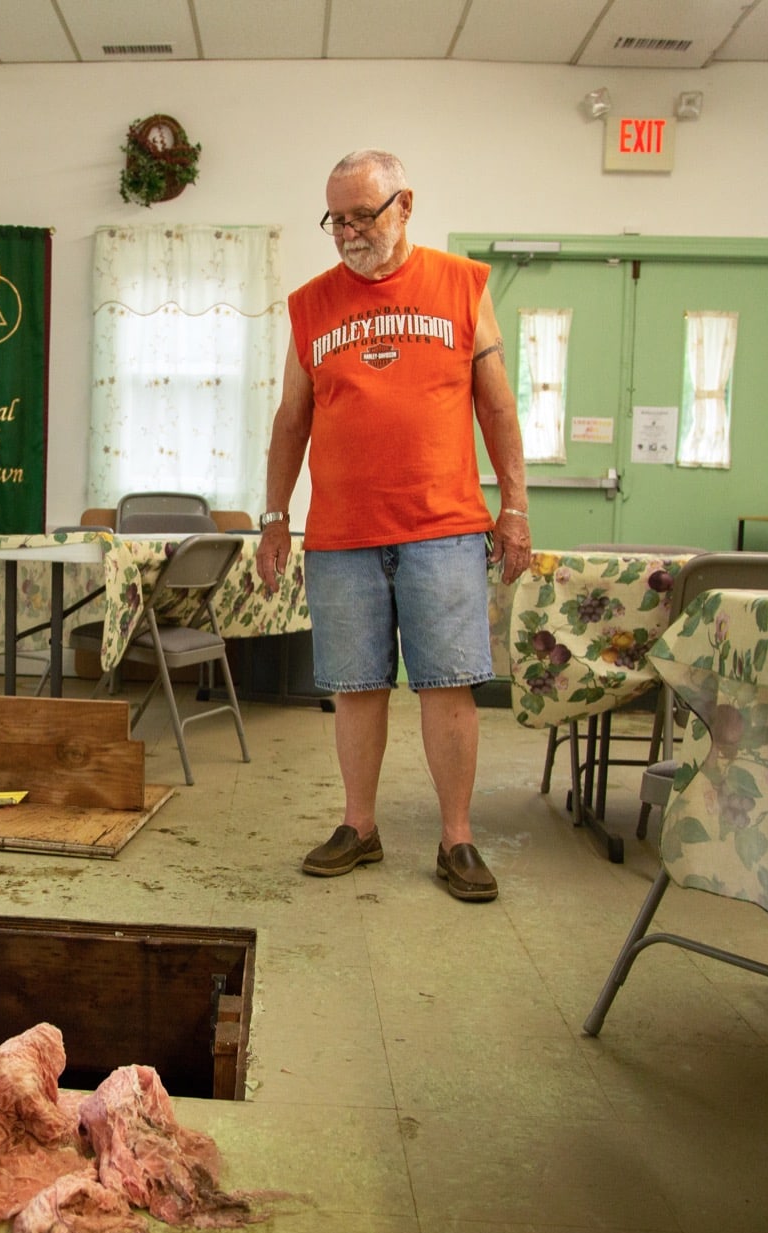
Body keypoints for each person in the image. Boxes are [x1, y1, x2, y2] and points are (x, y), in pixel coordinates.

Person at [254, 149, 529, 902]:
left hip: (441, 527)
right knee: (356, 688)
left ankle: (457, 838)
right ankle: (360, 826)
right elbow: (291, 418)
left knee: (447, 686)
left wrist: (515, 505)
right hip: (341, 534)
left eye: (361, 215)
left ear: (404, 205)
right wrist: (275, 518)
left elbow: (497, 405)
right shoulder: (312, 304)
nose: (346, 232)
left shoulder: (462, 286)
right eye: (334, 219)